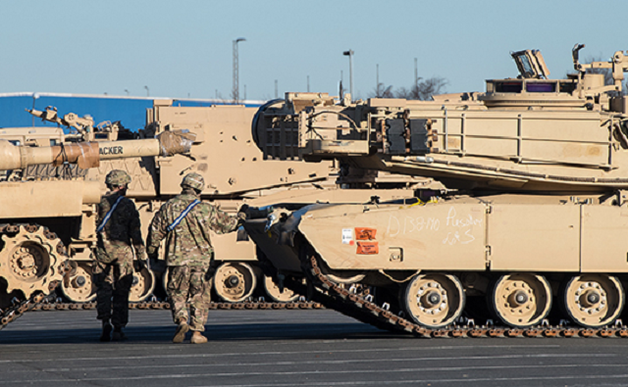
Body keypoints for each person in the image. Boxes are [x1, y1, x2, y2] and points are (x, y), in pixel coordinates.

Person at [147, 172, 245, 344]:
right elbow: (227, 225)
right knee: (199, 295)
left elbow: (155, 232)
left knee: (177, 292)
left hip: (177, 259)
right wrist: (241, 218)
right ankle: (197, 333)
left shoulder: (168, 207)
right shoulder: (205, 208)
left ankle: (182, 320)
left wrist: (152, 252)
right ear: (199, 189)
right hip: (201, 261)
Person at [93, 169, 147, 342]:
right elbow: (135, 233)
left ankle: (104, 323)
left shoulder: (99, 203)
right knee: (122, 291)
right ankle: (118, 328)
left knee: (104, 289)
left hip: (102, 251)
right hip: (123, 253)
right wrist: (141, 256)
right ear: (123, 186)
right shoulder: (128, 205)